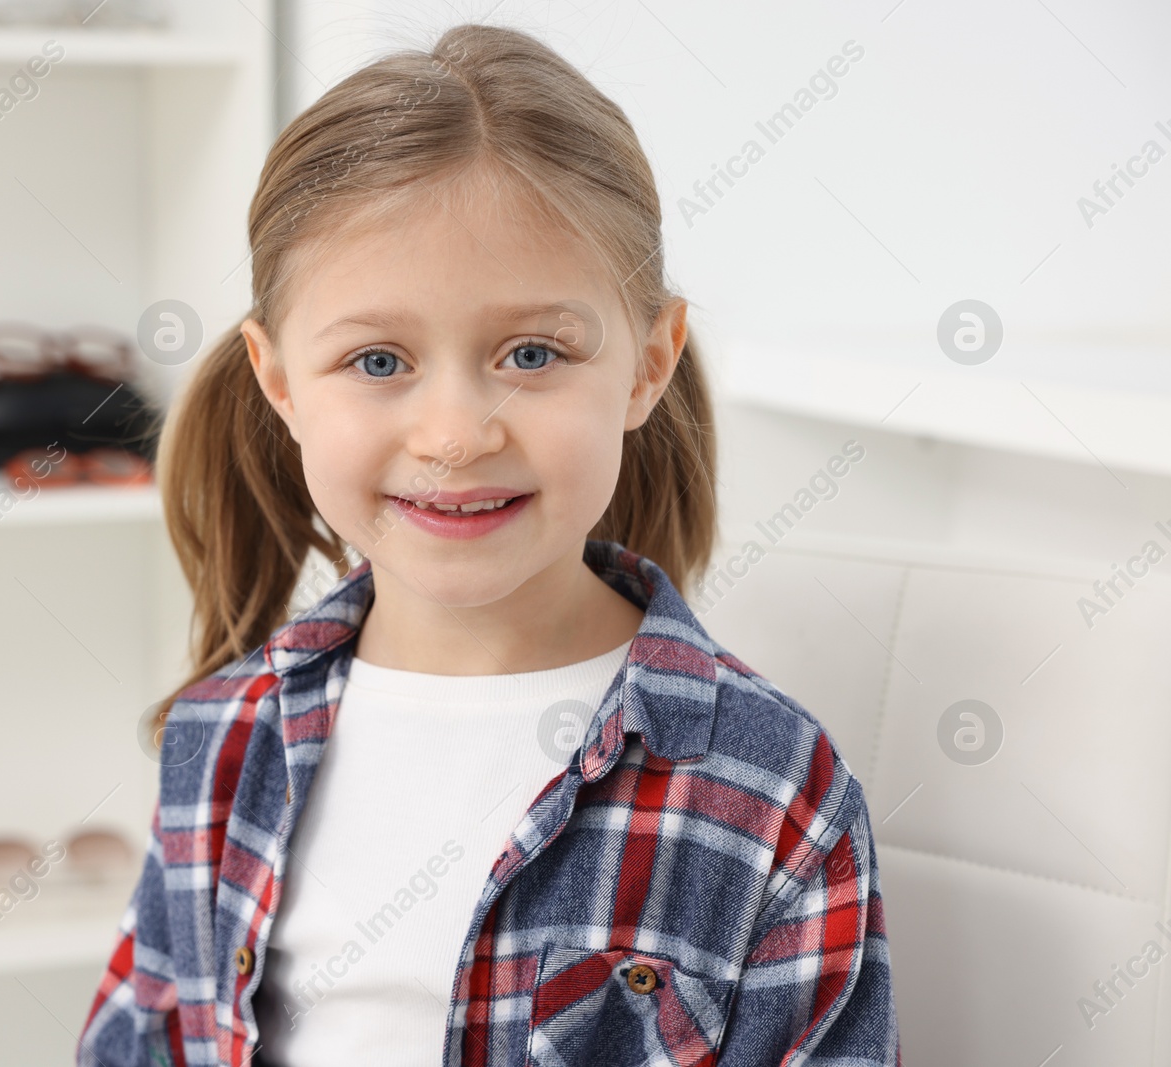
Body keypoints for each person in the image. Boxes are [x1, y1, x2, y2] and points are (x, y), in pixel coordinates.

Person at [79, 22, 899, 1067]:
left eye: (530, 351)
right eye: (377, 358)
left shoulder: (766, 783)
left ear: (647, 365)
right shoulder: (221, 741)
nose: (457, 432)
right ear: (280, 381)